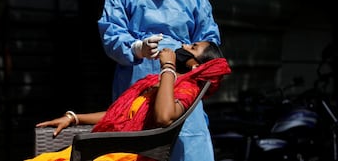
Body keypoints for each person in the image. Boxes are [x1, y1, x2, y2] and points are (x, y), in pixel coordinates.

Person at [97, 0, 221, 160]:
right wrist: (136, 48)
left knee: (188, 149)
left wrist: (183, 64)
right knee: (133, 146)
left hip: (182, 95)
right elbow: (111, 34)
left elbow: (209, 49)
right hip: (137, 88)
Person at [25, 42, 231, 161]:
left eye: (192, 47)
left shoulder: (187, 88)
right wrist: (73, 118)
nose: (184, 45)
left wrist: (168, 66)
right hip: (106, 150)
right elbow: (119, 116)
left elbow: (163, 117)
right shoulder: (160, 84)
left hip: (126, 155)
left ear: (196, 66)